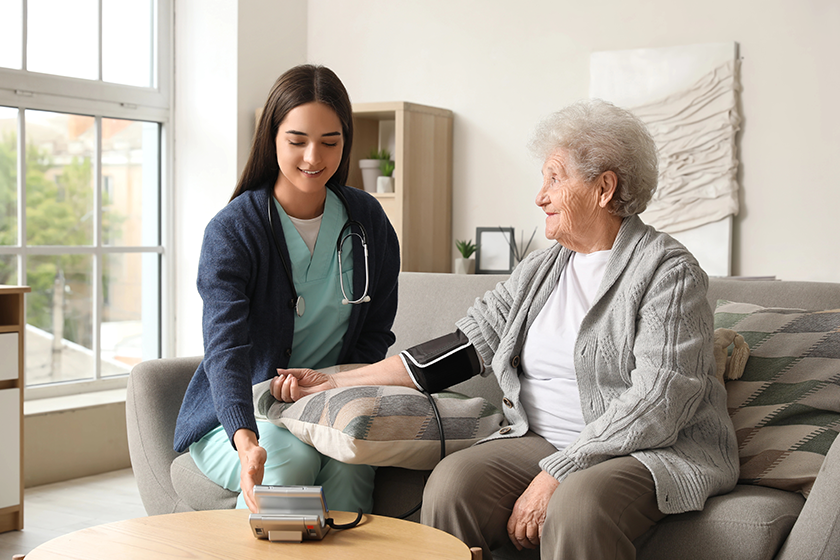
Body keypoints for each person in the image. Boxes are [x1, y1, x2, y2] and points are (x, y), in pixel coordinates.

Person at [269, 99, 740, 559]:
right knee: (454, 485)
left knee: (577, 507)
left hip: (648, 451)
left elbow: (660, 401)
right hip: (541, 438)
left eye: (555, 178)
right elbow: (458, 350)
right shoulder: (541, 269)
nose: (540, 196)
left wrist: (560, 470)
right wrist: (337, 380)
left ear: (604, 188)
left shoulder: (668, 273)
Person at [173, 64, 400, 514]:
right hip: (238, 414)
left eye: (330, 142)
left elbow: (376, 333)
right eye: (297, 141)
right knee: (287, 461)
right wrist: (245, 439)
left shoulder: (368, 221)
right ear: (272, 138)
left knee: (351, 467)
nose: (314, 158)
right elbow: (226, 350)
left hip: (328, 405)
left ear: (345, 142)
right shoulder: (234, 230)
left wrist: (336, 389)